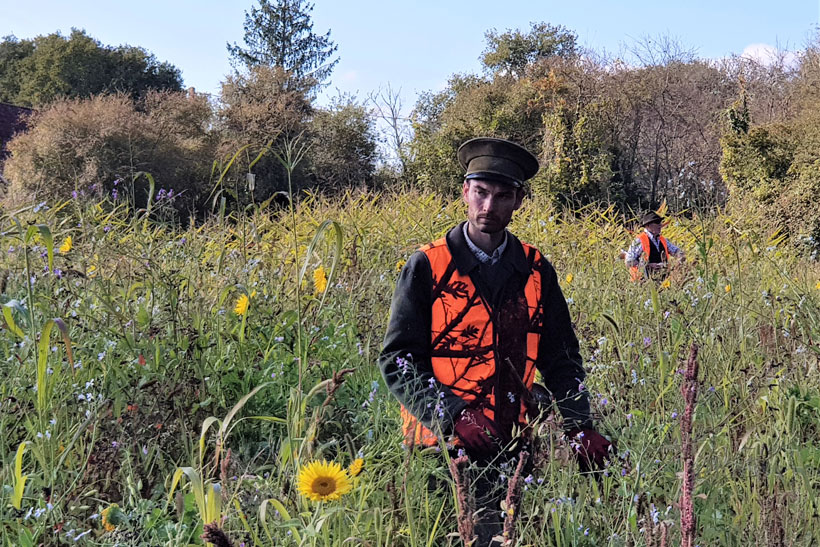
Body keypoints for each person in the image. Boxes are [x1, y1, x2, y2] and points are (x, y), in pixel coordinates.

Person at [379, 137, 613, 546]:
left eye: (503, 196)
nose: (489, 207)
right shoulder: (428, 265)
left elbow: (561, 358)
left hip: (512, 439)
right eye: (481, 193)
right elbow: (398, 358)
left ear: (519, 200)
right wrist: (453, 415)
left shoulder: (536, 268)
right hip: (440, 447)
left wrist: (580, 427)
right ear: (465, 192)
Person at [624, 211, 685, 282]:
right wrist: (648, 265)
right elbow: (628, 261)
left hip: (663, 281)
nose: (660, 225)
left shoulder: (662, 240)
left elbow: (678, 252)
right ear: (648, 225)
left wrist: (679, 261)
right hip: (643, 282)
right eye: (657, 222)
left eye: (660, 222)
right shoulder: (639, 240)